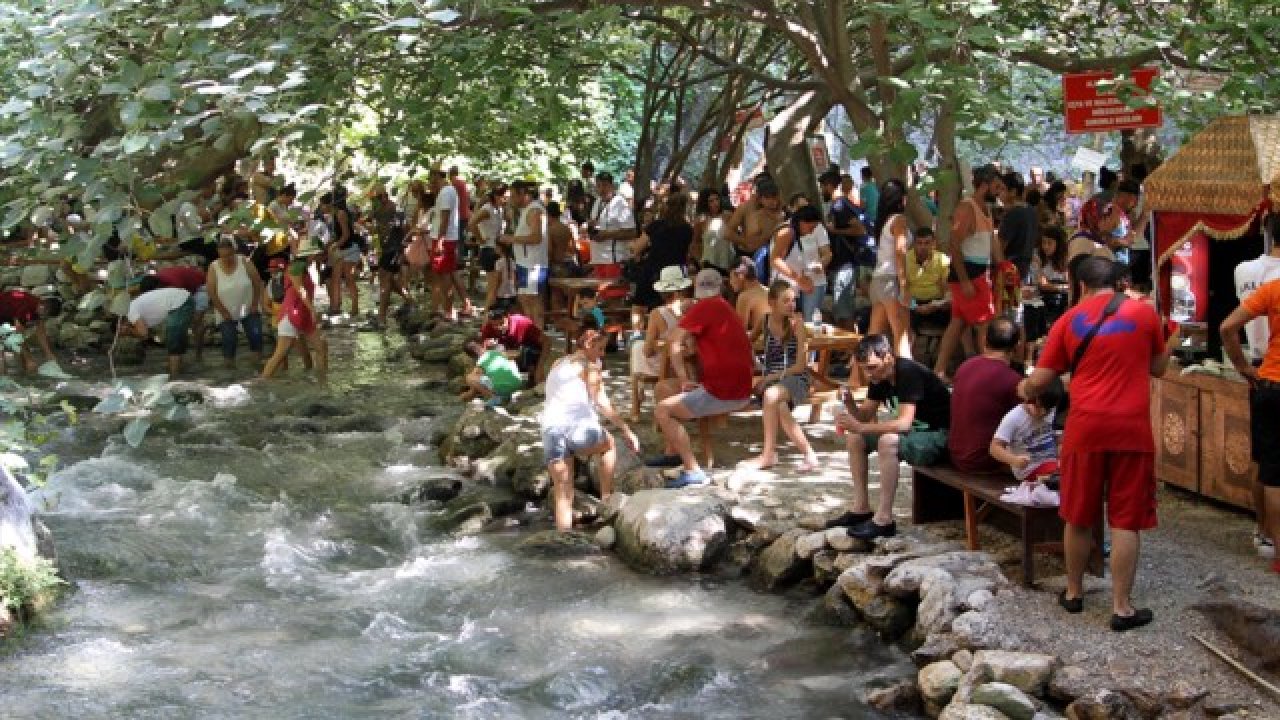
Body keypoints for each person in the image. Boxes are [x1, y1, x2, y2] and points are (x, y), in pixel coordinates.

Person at [1019, 255, 1170, 630]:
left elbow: (1040, 380)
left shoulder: (1068, 321)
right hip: (1131, 430)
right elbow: (1158, 368)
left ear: (1080, 286)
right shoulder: (1144, 314)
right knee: (1126, 519)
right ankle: (1121, 608)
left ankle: (1074, 593)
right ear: (1117, 283)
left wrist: (1021, 386)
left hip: (1084, 429)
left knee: (1078, 513)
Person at [829, 333, 951, 540]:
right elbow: (866, 415)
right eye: (865, 369)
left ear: (887, 357)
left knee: (887, 441)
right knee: (855, 439)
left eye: (872, 367)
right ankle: (861, 508)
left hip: (937, 436)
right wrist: (850, 404)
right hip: (915, 434)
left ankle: (884, 519)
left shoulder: (908, 373)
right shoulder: (879, 376)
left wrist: (861, 427)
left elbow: (903, 423)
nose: (868, 375)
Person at [650, 269, 754, 487]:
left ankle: (693, 470)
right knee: (663, 389)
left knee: (662, 410)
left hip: (724, 389)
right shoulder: (723, 306)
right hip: (738, 384)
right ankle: (673, 452)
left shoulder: (704, 307)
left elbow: (673, 340)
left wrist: (682, 376)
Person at [541, 320, 639, 531]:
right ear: (587, 344)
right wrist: (626, 429)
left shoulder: (558, 362)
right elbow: (601, 403)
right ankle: (606, 500)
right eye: (600, 348)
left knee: (563, 492)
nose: (602, 354)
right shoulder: (589, 366)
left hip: (550, 431)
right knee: (609, 444)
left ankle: (564, 538)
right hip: (577, 430)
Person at [1222, 276, 1280, 574]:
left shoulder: (1273, 288)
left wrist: (1243, 367)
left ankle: (1275, 547)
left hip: (1271, 385)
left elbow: (1227, 327)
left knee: (1271, 471)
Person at [934, 164, 1005, 380]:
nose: (999, 191)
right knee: (985, 323)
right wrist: (965, 280)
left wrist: (1003, 266)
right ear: (984, 185)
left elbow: (991, 241)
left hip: (978, 273)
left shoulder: (986, 208)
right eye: (996, 186)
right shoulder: (967, 207)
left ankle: (939, 370)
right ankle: (987, 375)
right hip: (970, 275)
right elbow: (954, 245)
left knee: (957, 323)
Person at [740, 281, 818, 471]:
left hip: (795, 378)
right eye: (786, 301)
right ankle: (809, 455)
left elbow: (801, 366)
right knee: (779, 406)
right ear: (772, 303)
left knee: (771, 396)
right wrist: (755, 362)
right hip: (773, 381)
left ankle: (767, 455)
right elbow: (745, 342)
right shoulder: (765, 321)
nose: (792, 305)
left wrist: (769, 377)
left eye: (793, 301)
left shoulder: (797, 326)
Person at [947, 317, 1024, 473]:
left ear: (984, 341)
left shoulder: (965, 367)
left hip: (956, 454)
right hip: (986, 461)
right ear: (1017, 347)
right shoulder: (1013, 380)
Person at [991, 378, 1064, 506]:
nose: (1042, 413)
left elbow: (1057, 438)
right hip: (1030, 468)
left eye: (1046, 409)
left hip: (1052, 464)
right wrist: (1013, 460)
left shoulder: (1050, 410)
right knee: (1065, 482)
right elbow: (994, 447)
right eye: (1037, 406)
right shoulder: (1014, 417)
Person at [262, 240, 328, 381]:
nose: (321, 257)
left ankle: (322, 382)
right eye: (319, 254)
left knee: (321, 346)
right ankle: (261, 381)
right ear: (312, 254)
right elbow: (301, 290)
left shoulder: (303, 268)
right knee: (280, 353)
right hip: (291, 313)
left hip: (302, 314)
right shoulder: (296, 267)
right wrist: (313, 310)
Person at [630, 266, 691, 419]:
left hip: (667, 364)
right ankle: (636, 401)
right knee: (642, 347)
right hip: (690, 360)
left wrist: (657, 345)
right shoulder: (693, 307)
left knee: (637, 348)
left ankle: (635, 405)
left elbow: (648, 350)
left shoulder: (657, 314)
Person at [631, 191, 694, 334]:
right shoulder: (687, 229)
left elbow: (637, 248)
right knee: (674, 307)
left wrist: (633, 247)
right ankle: (672, 335)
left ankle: (637, 337)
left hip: (652, 270)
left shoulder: (656, 226)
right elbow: (691, 252)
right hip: (676, 273)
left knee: (639, 307)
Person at [868, 179, 912, 357]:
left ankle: (856, 378)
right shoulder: (899, 220)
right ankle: (908, 380)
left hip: (879, 280)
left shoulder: (884, 221)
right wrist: (904, 284)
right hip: (890, 280)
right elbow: (900, 251)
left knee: (873, 333)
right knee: (900, 333)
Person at [205, 236, 265, 368]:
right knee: (229, 342)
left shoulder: (244, 261)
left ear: (234, 252)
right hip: (225, 310)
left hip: (249, 306)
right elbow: (212, 292)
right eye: (223, 256)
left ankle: (257, 368)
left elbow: (257, 282)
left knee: (256, 338)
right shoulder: (213, 267)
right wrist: (223, 311)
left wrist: (255, 303)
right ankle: (229, 373)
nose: (227, 258)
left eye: (229, 255)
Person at [500, 181, 548, 329]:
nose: (511, 199)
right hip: (525, 263)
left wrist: (511, 238)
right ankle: (531, 334)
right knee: (524, 299)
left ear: (524, 194)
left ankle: (536, 334)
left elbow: (536, 237)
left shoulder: (534, 211)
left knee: (532, 301)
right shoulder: (527, 210)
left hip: (532, 264)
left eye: (514, 195)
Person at [769, 204, 830, 322]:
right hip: (785, 284)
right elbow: (774, 259)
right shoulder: (786, 232)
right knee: (785, 320)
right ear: (802, 222)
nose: (812, 232)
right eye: (811, 228)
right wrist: (799, 279)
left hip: (796, 284)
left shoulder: (798, 232)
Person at [126, 277, 194, 377]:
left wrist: (129, 332)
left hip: (180, 301)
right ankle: (178, 369)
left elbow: (144, 334)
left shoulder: (131, 312)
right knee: (175, 337)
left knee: (173, 337)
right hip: (182, 298)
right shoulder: (134, 306)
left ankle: (174, 376)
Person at [586, 172, 636, 304]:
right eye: (598, 186)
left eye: (604, 185)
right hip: (598, 257)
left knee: (614, 296)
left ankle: (617, 324)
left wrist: (607, 235)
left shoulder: (620, 203)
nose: (601, 189)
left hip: (614, 258)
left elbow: (632, 232)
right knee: (601, 297)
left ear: (611, 186)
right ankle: (606, 324)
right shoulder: (597, 202)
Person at [153, 264, 210, 362]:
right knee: (178, 323)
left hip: (200, 287)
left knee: (196, 323)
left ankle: (198, 355)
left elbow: (183, 299)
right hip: (187, 287)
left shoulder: (173, 283)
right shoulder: (158, 280)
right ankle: (178, 356)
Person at [1026, 226, 1070, 348]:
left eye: (1049, 243)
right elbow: (1043, 284)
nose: (1045, 246)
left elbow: (1069, 279)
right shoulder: (1037, 256)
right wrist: (1064, 287)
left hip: (1061, 298)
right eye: (1043, 242)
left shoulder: (1065, 258)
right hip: (1043, 298)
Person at [480, 306, 549, 383]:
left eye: (501, 323)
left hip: (528, 354)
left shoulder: (522, 322)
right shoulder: (488, 328)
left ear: (508, 317)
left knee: (526, 352)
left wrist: (540, 367)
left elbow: (547, 341)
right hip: (507, 356)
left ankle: (533, 379)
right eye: (494, 325)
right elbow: (482, 351)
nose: (499, 327)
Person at [427, 170, 462, 320]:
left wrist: (440, 240)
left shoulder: (447, 192)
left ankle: (449, 311)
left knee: (445, 274)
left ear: (439, 177)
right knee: (440, 274)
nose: (430, 181)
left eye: (432, 178)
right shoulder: (444, 192)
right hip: (442, 237)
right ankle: (443, 308)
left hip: (445, 239)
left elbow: (446, 218)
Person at [468, 183, 509, 312]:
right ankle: (487, 319)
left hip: (497, 249)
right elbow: (472, 223)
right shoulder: (487, 209)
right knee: (492, 289)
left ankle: (493, 317)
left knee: (498, 288)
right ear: (497, 196)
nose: (506, 199)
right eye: (504, 196)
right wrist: (480, 239)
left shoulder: (499, 209)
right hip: (489, 250)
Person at [0, 289, 57, 374]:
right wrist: (29, 359)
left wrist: (48, 354)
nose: (43, 317)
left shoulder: (38, 307)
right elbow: (18, 336)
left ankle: (24, 373)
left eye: (46, 316)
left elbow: (41, 333)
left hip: (8, 315)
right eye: (44, 314)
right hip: (3, 313)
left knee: (24, 356)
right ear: (43, 305)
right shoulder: (26, 308)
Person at [906, 226, 951, 335]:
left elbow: (947, 289)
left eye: (927, 243)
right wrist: (914, 306)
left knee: (956, 315)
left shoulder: (942, 259)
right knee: (903, 317)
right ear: (914, 244)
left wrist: (937, 305)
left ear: (933, 244)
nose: (923, 247)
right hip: (913, 304)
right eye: (919, 243)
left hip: (936, 304)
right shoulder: (905, 259)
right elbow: (903, 287)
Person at [999, 171, 1040, 284]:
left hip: (1011, 268)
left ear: (1013, 192)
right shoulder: (1031, 210)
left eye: (1002, 189)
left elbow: (1000, 246)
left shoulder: (1013, 213)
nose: (999, 193)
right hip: (1026, 266)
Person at [726, 177, 784, 256]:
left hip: (771, 249)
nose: (771, 200)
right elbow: (728, 233)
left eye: (772, 196)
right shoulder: (745, 207)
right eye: (767, 197)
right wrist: (745, 241)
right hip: (749, 252)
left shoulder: (777, 205)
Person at [460, 340, 524, 407]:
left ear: (471, 355)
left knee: (470, 378)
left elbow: (476, 384)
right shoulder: (496, 352)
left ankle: (494, 398)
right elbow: (516, 354)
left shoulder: (479, 363)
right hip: (518, 383)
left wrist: (467, 394)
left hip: (504, 389)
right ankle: (504, 395)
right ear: (480, 344)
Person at [694, 187, 735, 274]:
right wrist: (699, 261)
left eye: (717, 199)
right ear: (705, 203)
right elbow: (696, 242)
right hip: (709, 263)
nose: (716, 203)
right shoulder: (701, 221)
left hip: (727, 262)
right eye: (711, 201)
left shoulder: (728, 216)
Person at [729, 255, 768, 332]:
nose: (730, 282)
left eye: (731, 277)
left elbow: (740, 333)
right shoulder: (768, 290)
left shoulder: (744, 297)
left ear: (741, 276)